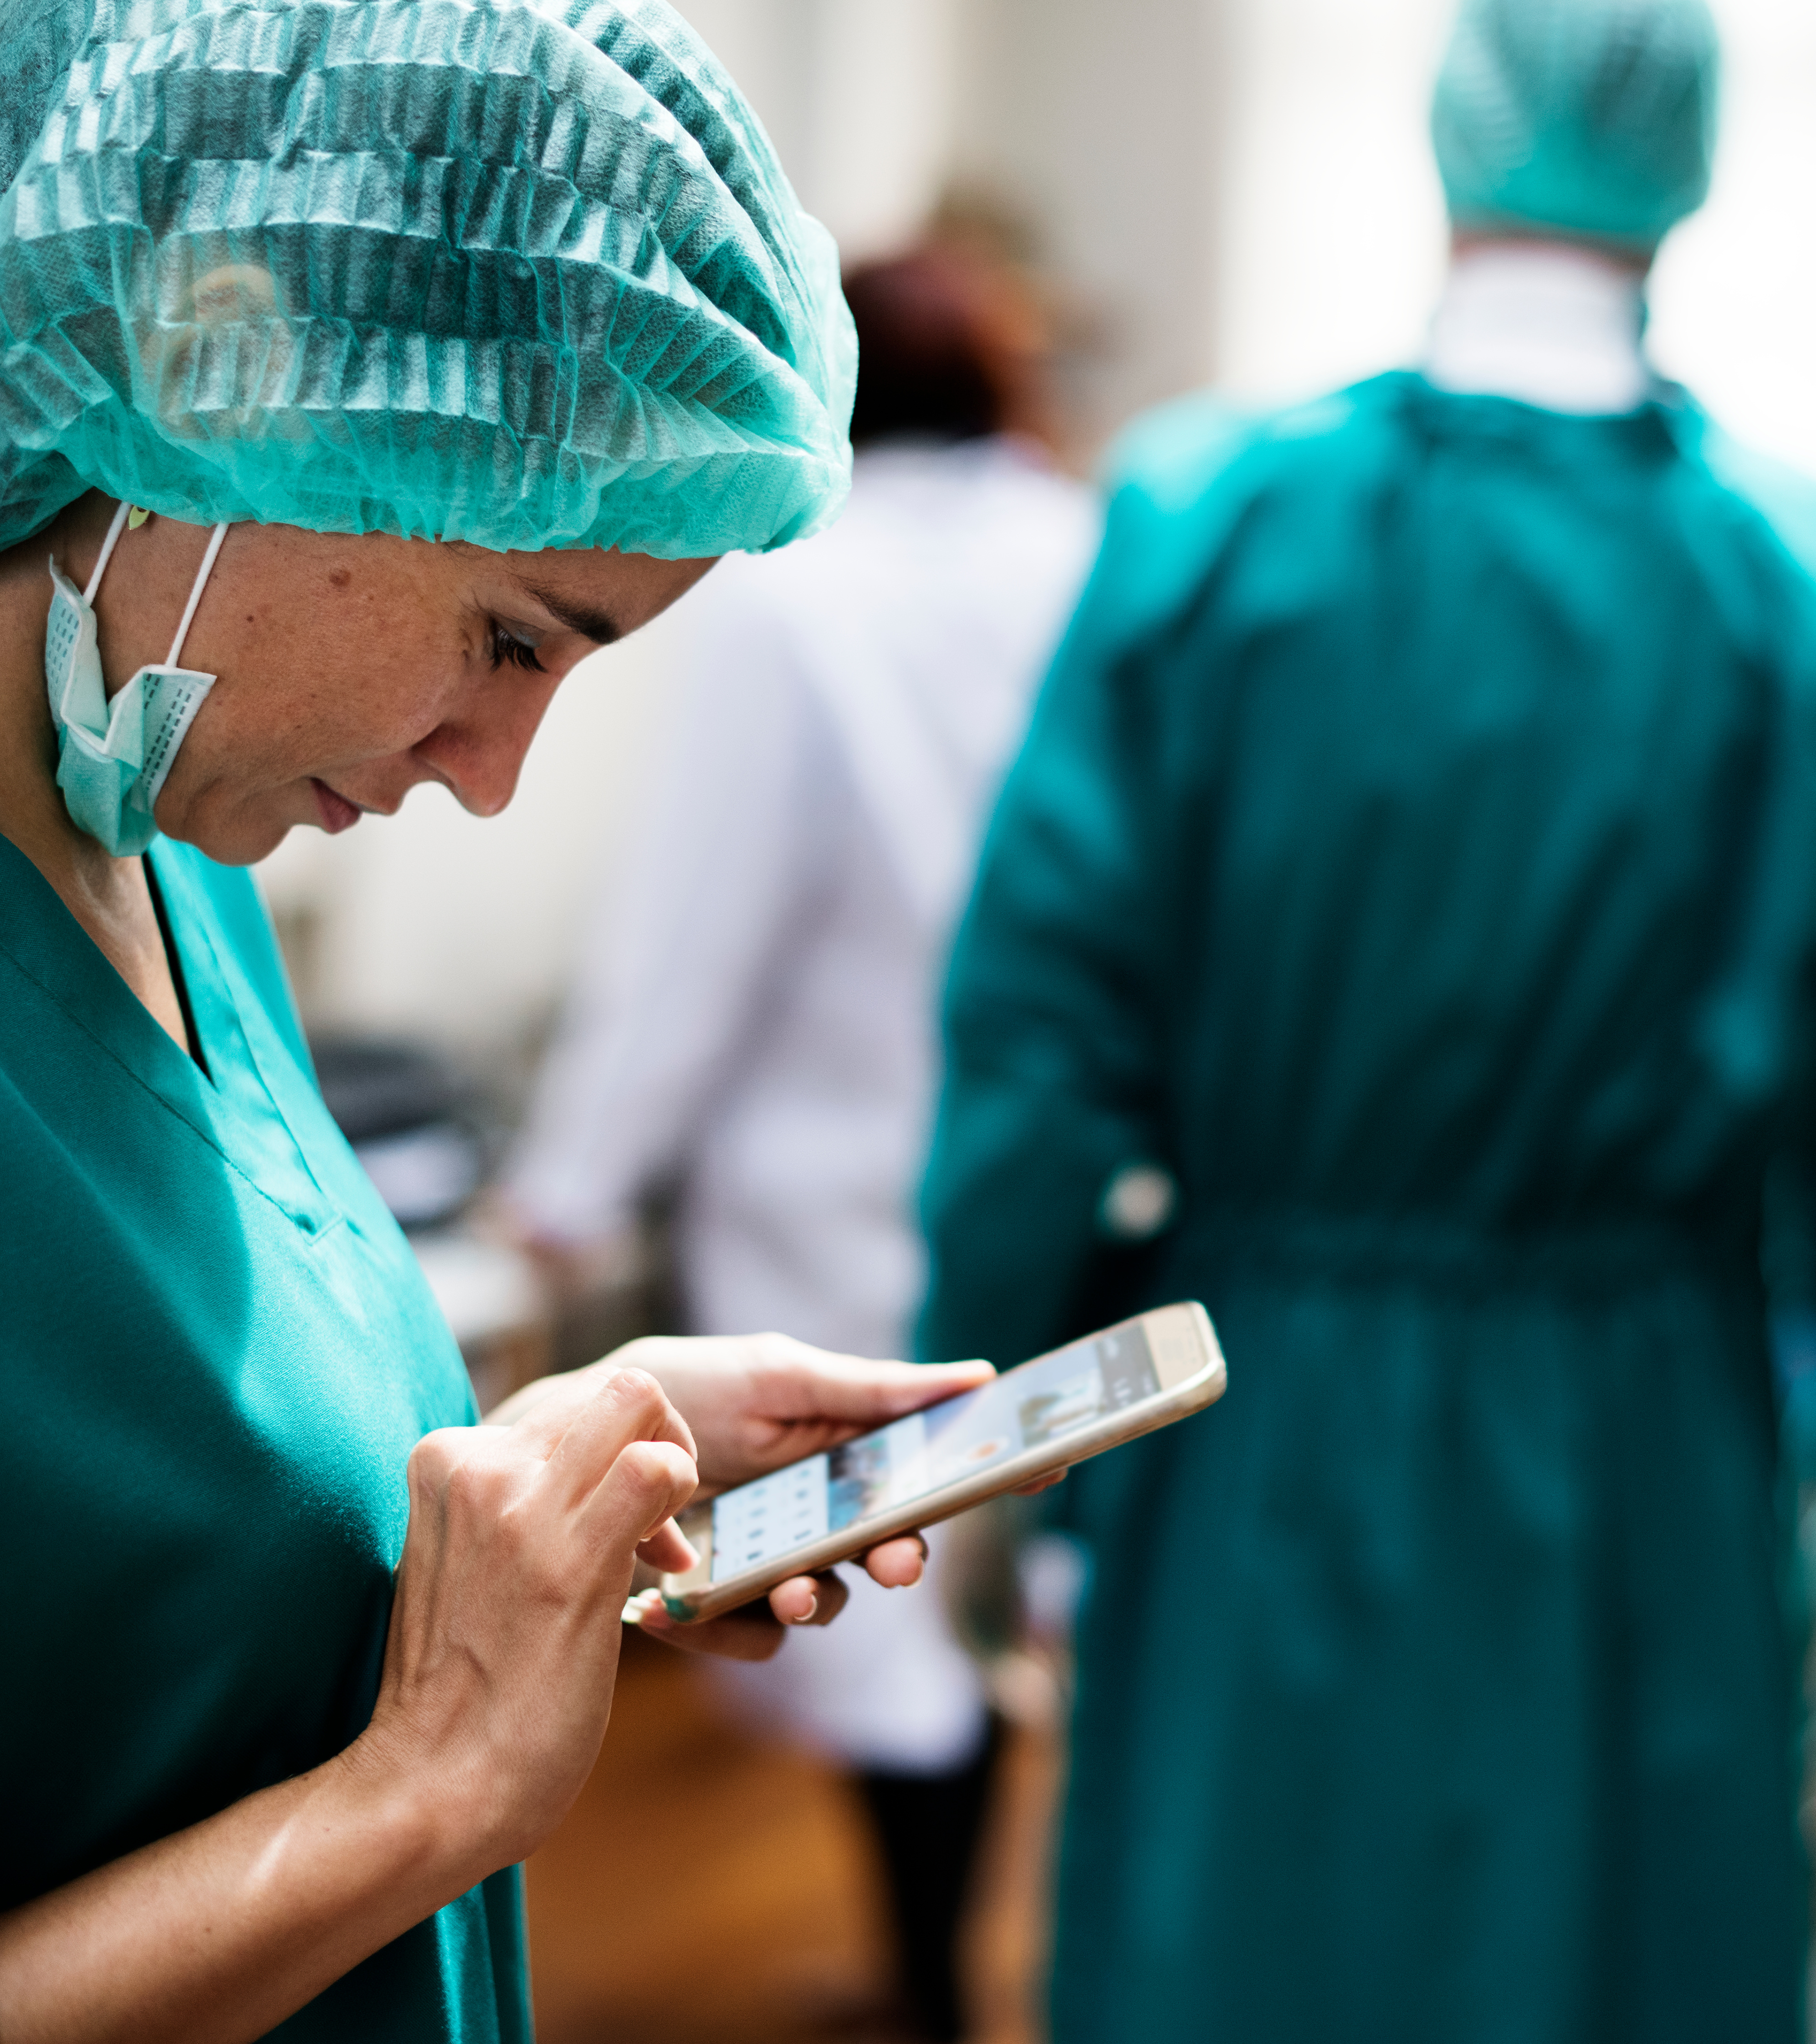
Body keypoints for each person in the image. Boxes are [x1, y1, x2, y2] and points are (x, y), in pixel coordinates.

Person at [0, 5, 993, 2038]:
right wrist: (432, 1793)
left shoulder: (158, 848)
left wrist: (543, 1488)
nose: (493, 771)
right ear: (224, 381)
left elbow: (92, 1581)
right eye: (507, 636)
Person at [917, 1, 1816, 2039]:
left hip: (1242, 1415)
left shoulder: (1208, 534)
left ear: (1446, 134)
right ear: (1685, 165)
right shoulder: (1814, 597)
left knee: (1237, 1957)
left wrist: (974, 1444)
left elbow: (1035, 1058)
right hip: (1644, 1457)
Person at [502, 243, 1096, 2042]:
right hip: (1026, 1165)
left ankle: (921, 1990)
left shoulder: (794, 594)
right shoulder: (1080, 552)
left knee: (877, 1610)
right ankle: (943, 1975)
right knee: (974, 1591)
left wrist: (569, 1180)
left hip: (829, 1174)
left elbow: (698, 932)